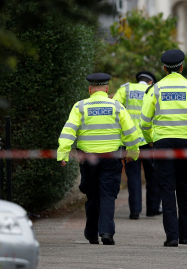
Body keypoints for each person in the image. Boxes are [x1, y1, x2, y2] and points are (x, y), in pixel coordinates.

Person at [57, 72, 140, 245]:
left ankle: (91, 233)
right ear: (107, 89)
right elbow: (131, 132)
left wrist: (63, 153)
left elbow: (69, 131)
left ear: (90, 89)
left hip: (88, 159)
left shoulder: (80, 107)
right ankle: (106, 232)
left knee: (92, 195)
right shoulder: (117, 107)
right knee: (108, 195)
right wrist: (133, 152)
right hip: (111, 158)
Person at [140, 49, 187, 247]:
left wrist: (151, 141)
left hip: (163, 144)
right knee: (186, 190)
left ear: (164, 69)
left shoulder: (156, 89)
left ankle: (172, 237)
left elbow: (144, 122)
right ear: (182, 66)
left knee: (167, 190)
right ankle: (185, 236)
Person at [112, 71, 162, 219]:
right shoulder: (154, 91)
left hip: (130, 141)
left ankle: (135, 211)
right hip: (149, 141)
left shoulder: (125, 89)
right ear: (151, 82)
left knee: (133, 176)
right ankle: (152, 208)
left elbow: (114, 108)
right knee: (153, 175)